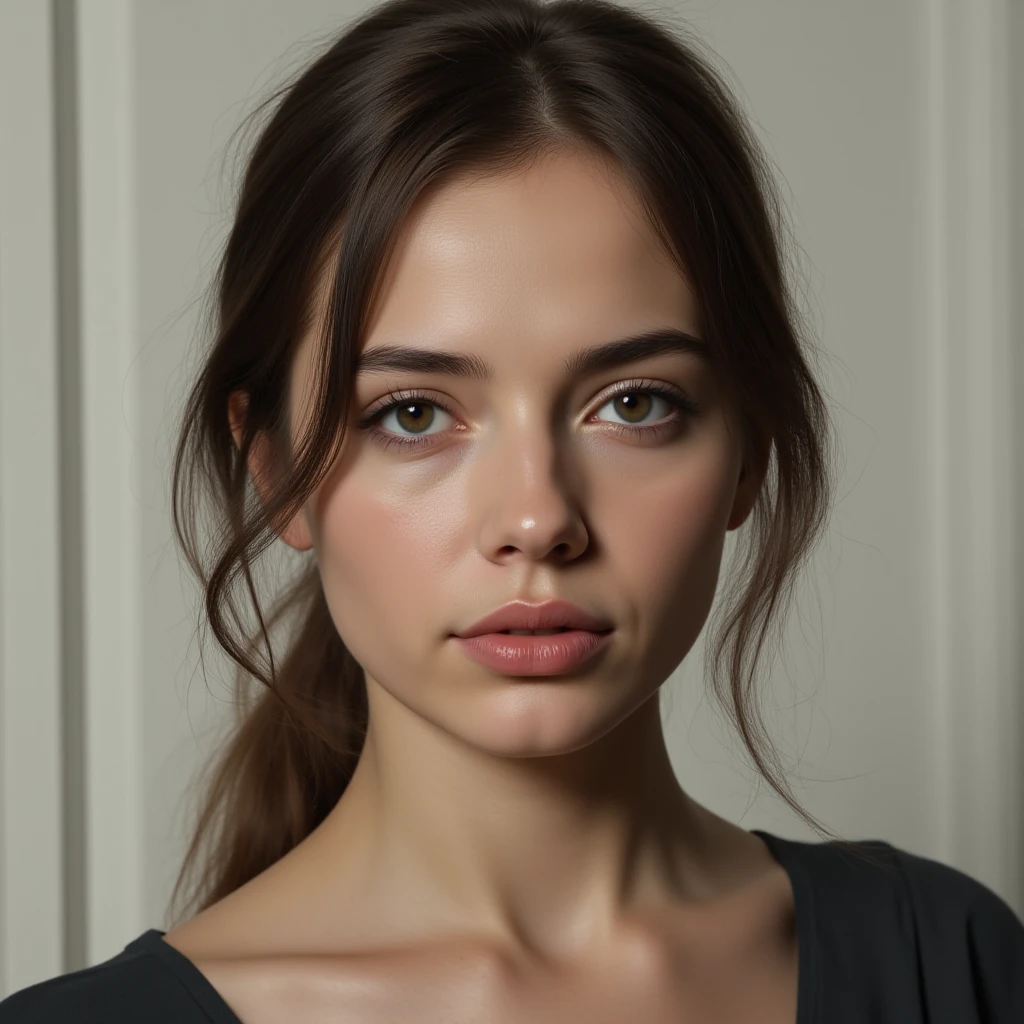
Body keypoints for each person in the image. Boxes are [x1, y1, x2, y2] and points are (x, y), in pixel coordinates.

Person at [4, 0, 1022, 1020]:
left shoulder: (955, 963)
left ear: (748, 450)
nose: (537, 521)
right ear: (276, 473)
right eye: (411, 413)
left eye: (634, 404)